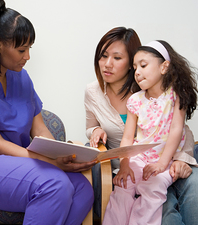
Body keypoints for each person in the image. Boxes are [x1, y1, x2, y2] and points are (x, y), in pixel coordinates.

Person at [0, 1, 95, 224]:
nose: (27, 56)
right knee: (55, 183)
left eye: (29, 49)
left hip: (22, 161)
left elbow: (40, 128)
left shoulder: (22, 77)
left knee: (82, 188)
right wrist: (51, 163)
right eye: (21, 50)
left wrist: (61, 153)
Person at [84, 27, 198, 225]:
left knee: (160, 197)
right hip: (135, 159)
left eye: (117, 58)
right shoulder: (133, 99)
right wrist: (96, 132)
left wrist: (169, 162)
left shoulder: (170, 95)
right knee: (124, 189)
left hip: (166, 161)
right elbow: (124, 137)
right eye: (103, 56)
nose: (107, 64)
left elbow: (179, 131)